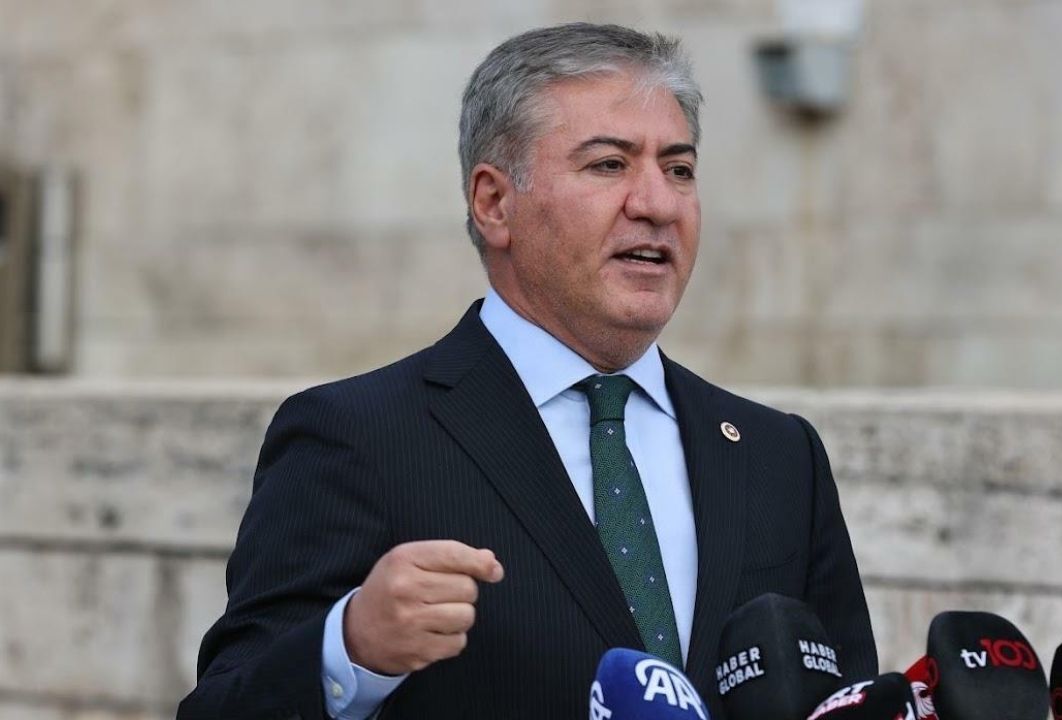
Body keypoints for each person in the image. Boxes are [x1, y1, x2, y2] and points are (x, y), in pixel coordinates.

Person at [178, 22, 876, 720]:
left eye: (679, 169)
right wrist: (352, 648)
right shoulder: (358, 437)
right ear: (494, 203)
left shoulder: (779, 455)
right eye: (609, 165)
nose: (657, 204)